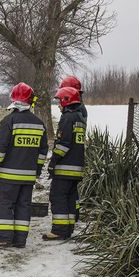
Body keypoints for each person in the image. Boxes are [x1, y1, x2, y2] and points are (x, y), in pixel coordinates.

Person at [0, 83, 48, 249]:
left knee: (4, 204)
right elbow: (43, 151)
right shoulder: (39, 124)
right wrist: (38, 169)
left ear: (14, 100)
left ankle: (3, 238)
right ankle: (20, 240)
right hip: (28, 176)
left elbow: (0, 147)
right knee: (23, 206)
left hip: (9, 176)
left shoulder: (9, 121)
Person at [43, 87, 86, 241]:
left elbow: (63, 144)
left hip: (65, 168)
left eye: (59, 102)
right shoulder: (80, 118)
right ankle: (68, 228)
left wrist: (53, 162)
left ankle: (59, 230)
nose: (58, 105)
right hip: (76, 168)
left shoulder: (67, 118)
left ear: (66, 101)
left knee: (57, 196)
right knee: (69, 197)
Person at [59, 76, 87, 221]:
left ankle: (67, 222)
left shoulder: (73, 112)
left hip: (70, 158)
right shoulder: (80, 108)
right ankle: (73, 217)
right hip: (76, 156)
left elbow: (66, 140)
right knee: (72, 192)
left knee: (63, 193)